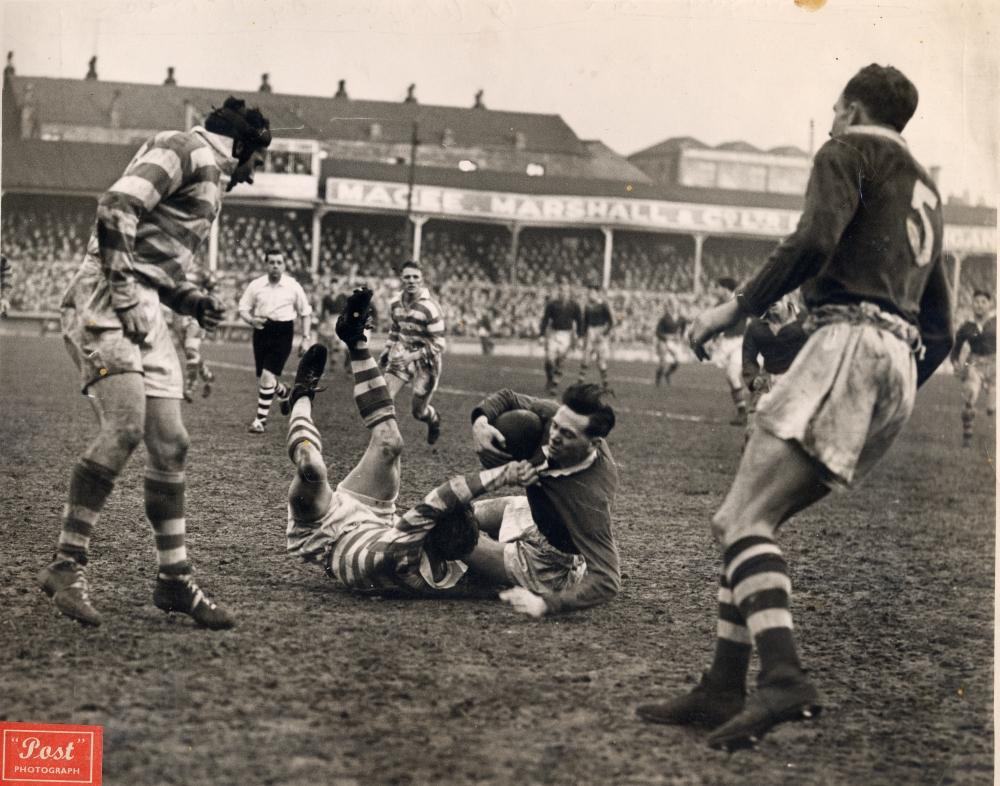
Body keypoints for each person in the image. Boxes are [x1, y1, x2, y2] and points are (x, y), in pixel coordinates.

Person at [636, 64, 954, 750]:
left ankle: (783, 677)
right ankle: (723, 685)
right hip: (894, 360)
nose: (832, 119)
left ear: (849, 108)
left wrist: (735, 307)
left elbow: (813, 242)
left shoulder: (847, 150)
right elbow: (942, 327)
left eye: (836, 109)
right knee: (746, 519)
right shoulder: (927, 186)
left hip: (850, 343)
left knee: (742, 519)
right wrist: (888, 388)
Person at [41, 95, 273, 628]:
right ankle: (65, 565)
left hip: (141, 299)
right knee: (125, 427)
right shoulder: (184, 148)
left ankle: (173, 580)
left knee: (171, 443)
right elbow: (116, 205)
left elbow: (150, 256)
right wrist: (123, 292)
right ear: (238, 146)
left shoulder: (205, 171)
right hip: (108, 295)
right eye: (255, 162)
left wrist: (190, 300)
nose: (253, 176)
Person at [285, 289, 536, 594]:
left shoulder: (397, 555)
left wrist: (503, 475)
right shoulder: (454, 571)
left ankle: (301, 396)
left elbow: (435, 502)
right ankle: (355, 338)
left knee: (312, 466)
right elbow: (505, 521)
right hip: (377, 521)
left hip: (323, 533)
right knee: (390, 443)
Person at [467, 383, 621, 616]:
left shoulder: (590, 500)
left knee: (452, 535)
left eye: (567, 434)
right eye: (556, 426)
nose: (555, 436)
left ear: (593, 444)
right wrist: (480, 423)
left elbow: (608, 580)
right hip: (541, 516)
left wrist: (547, 605)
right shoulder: (558, 417)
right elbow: (509, 396)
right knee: (463, 512)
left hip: (552, 561)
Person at [238, 249, 313, 433]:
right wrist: (251, 320)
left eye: (279, 262)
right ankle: (283, 392)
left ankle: (260, 420)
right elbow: (243, 308)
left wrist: (305, 338)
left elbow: (305, 313)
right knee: (266, 377)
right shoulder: (256, 285)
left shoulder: (293, 286)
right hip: (261, 330)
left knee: (266, 376)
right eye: (272, 262)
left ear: (284, 265)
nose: (275, 266)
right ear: (266, 264)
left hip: (283, 332)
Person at [379, 261, 446, 444]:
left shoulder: (430, 308)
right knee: (383, 397)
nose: (411, 280)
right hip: (402, 354)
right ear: (401, 279)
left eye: (415, 277)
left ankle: (433, 419)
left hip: (427, 363)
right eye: (407, 277)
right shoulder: (395, 304)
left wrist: (414, 356)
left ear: (421, 279)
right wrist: (387, 348)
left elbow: (439, 344)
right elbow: (395, 328)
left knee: (418, 412)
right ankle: (387, 440)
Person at [740, 295, 807, 440]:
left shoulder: (806, 320)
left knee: (798, 435)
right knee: (752, 432)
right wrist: (753, 378)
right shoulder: (755, 326)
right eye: (771, 293)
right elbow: (748, 358)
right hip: (767, 381)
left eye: (778, 294)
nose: (773, 299)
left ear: (788, 297)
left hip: (797, 383)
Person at [950, 289, 996, 447]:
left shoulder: (996, 322)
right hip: (975, 363)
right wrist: (955, 362)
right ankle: (967, 434)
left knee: (992, 406)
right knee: (969, 397)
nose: (980, 305)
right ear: (972, 304)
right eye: (977, 302)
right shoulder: (967, 327)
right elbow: (955, 348)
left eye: (983, 302)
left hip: (995, 364)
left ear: (990, 304)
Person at [169, 270, 219, 402]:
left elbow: (212, 288)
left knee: (191, 351)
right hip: (179, 316)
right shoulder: (178, 268)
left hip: (195, 318)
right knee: (191, 354)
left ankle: (191, 386)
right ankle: (208, 376)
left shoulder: (201, 274)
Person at [705, 277, 749, 425]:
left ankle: (744, 412)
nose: (715, 291)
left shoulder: (740, 301)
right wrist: (712, 340)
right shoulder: (719, 305)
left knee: (732, 375)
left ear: (724, 288)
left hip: (740, 342)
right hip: (727, 343)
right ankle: (743, 411)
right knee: (731, 377)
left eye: (717, 287)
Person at [539, 280, 582, 396]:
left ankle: (554, 385)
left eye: (566, 291)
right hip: (553, 333)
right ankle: (549, 378)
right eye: (561, 290)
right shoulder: (552, 304)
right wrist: (542, 335)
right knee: (549, 359)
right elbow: (545, 319)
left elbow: (579, 321)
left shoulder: (574, 305)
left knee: (561, 361)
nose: (563, 293)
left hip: (566, 335)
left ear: (569, 292)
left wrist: (579, 336)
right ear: (559, 292)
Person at [577, 284, 615, 393]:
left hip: (600, 332)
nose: (590, 295)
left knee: (601, 360)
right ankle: (580, 383)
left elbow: (611, 322)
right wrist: (581, 336)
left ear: (597, 293)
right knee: (586, 357)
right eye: (589, 293)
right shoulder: (588, 306)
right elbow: (585, 322)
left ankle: (606, 384)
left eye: (592, 292)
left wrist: (604, 332)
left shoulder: (603, 305)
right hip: (590, 332)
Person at [654, 298, 684, 386]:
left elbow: (683, 327)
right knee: (662, 364)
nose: (674, 307)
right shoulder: (664, 318)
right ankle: (658, 380)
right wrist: (666, 336)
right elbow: (657, 332)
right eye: (672, 305)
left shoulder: (681, 318)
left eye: (676, 305)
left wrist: (680, 337)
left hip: (673, 342)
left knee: (677, 362)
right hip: (663, 341)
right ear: (670, 307)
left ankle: (667, 374)